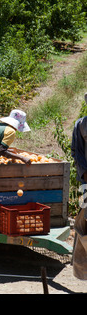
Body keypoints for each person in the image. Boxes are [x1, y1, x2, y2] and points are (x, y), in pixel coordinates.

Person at [71, 93, 87, 280]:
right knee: (84, 223)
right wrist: (85, 175)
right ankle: (80, 269)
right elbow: (77, 152)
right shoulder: (81, 125)